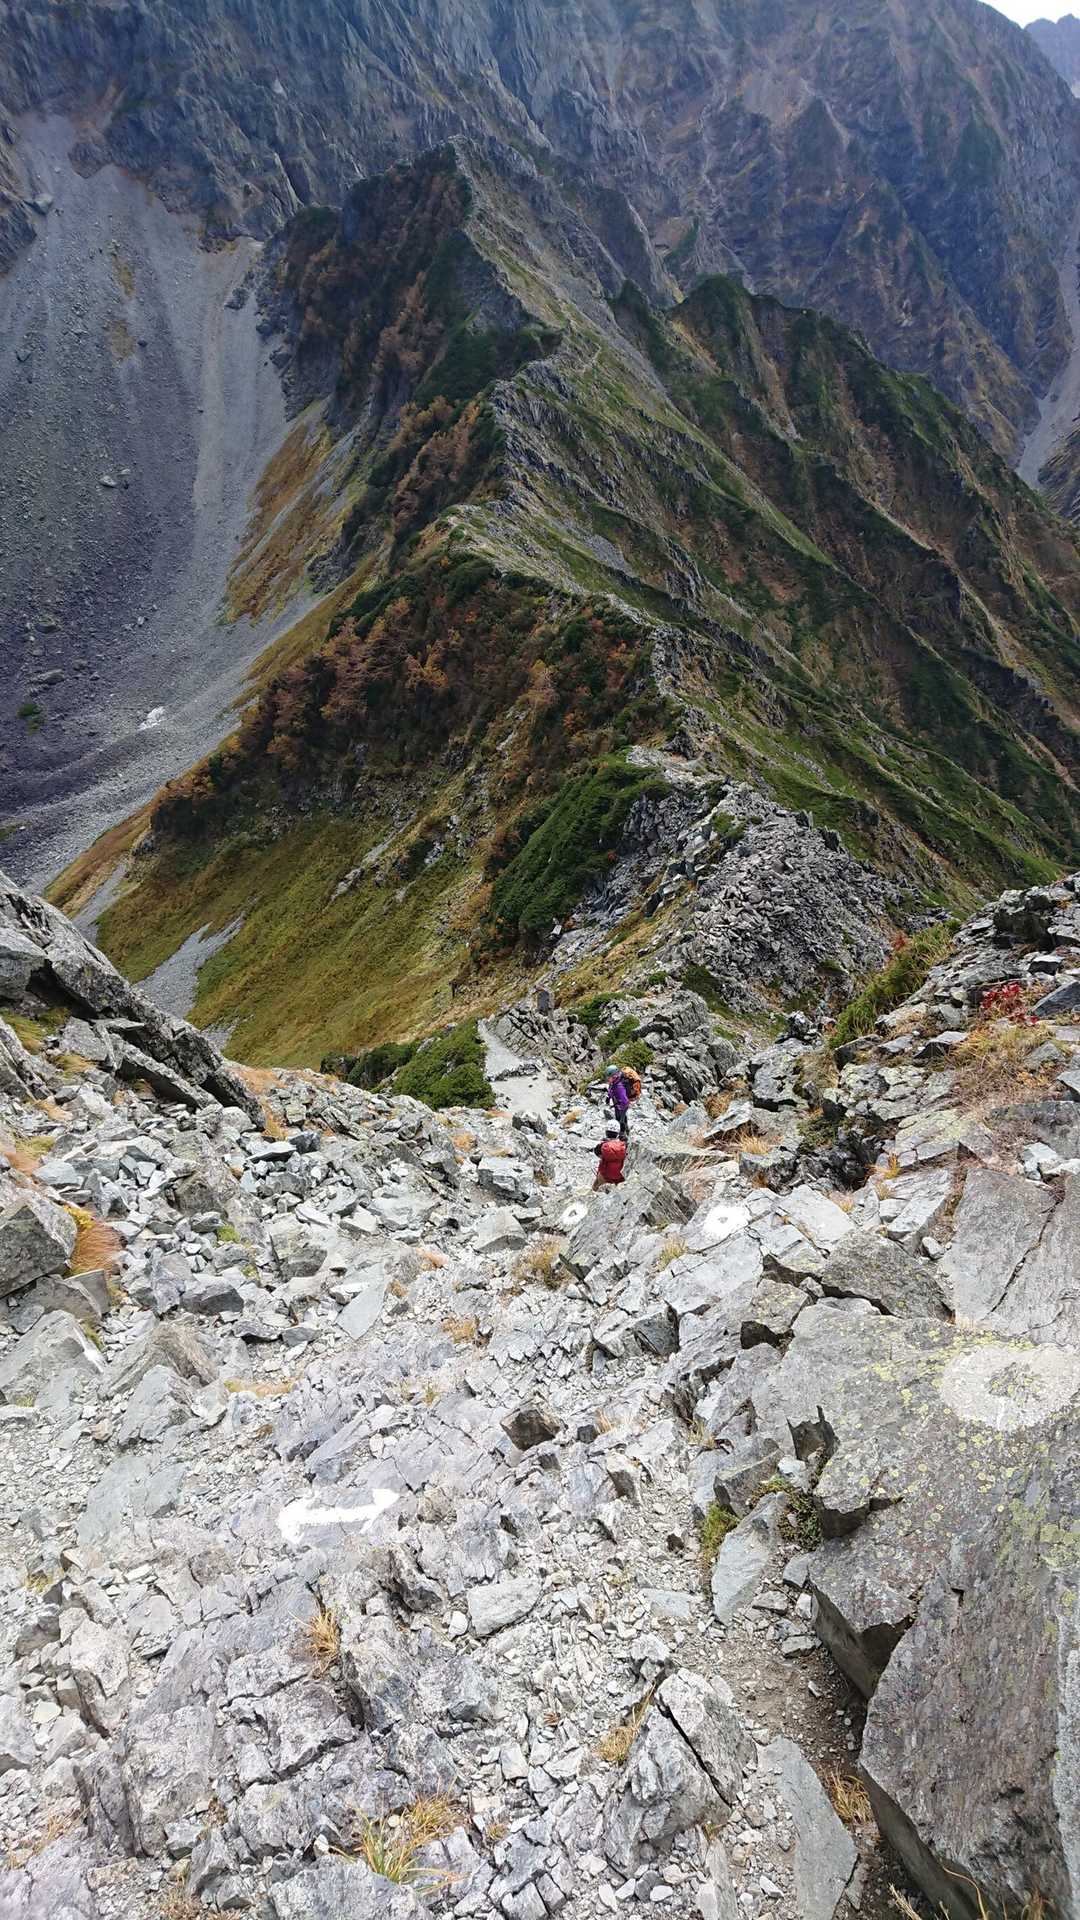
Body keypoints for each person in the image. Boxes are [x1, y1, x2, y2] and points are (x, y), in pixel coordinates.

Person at [593, 1120, 627, 1187]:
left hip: (605, 1175)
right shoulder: (624, 1145)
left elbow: (597, 1153)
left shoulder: (602, 1145)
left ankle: (594, 1190)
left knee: (596, 1185)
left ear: (606, 1132)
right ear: (618, 1132)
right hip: (620, 1176)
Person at [605, 1063, 631, 1142]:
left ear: (614, 1076)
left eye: (609, 1077)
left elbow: (625, 1101)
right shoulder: (614, 1082)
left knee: (620, 1120)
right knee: (620, 1118)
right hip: (617, 1104)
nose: (607, 1079)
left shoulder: (619, 1087)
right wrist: (608, 1097)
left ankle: (622, 1136)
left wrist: (620, 1107)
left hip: (622, 1106)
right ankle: (626, 1130)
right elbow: (611, 1089)